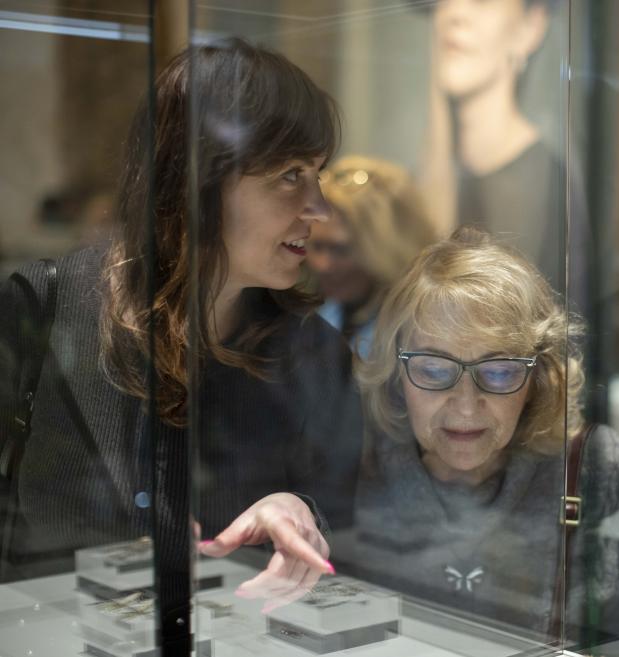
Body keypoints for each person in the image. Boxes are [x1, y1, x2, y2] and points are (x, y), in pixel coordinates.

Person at [0, 38, 362, 611]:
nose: (318, 205)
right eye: (291, 174)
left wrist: (302, 511)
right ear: (199, 180)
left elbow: (350, 523)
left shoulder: (316, 356)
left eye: (317, 173)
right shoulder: (41, 302)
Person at [337, 227, 619, 649]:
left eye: (500, 370)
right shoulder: (353, 455)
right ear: (397, 371)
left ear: (539, 375)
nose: (467, 406)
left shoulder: (594, 465)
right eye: (434, 369)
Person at [418, 0, 570, 294]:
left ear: (531, 26)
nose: (455, 14)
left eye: (481, 1)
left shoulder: (550, 190)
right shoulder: (426, 179)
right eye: (442, 2)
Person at [308, 155, 438, 359]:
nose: (322, 265)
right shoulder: (320, 312)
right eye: (316, 246)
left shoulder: (426, 332)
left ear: (388, 249)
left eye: (341, 250)